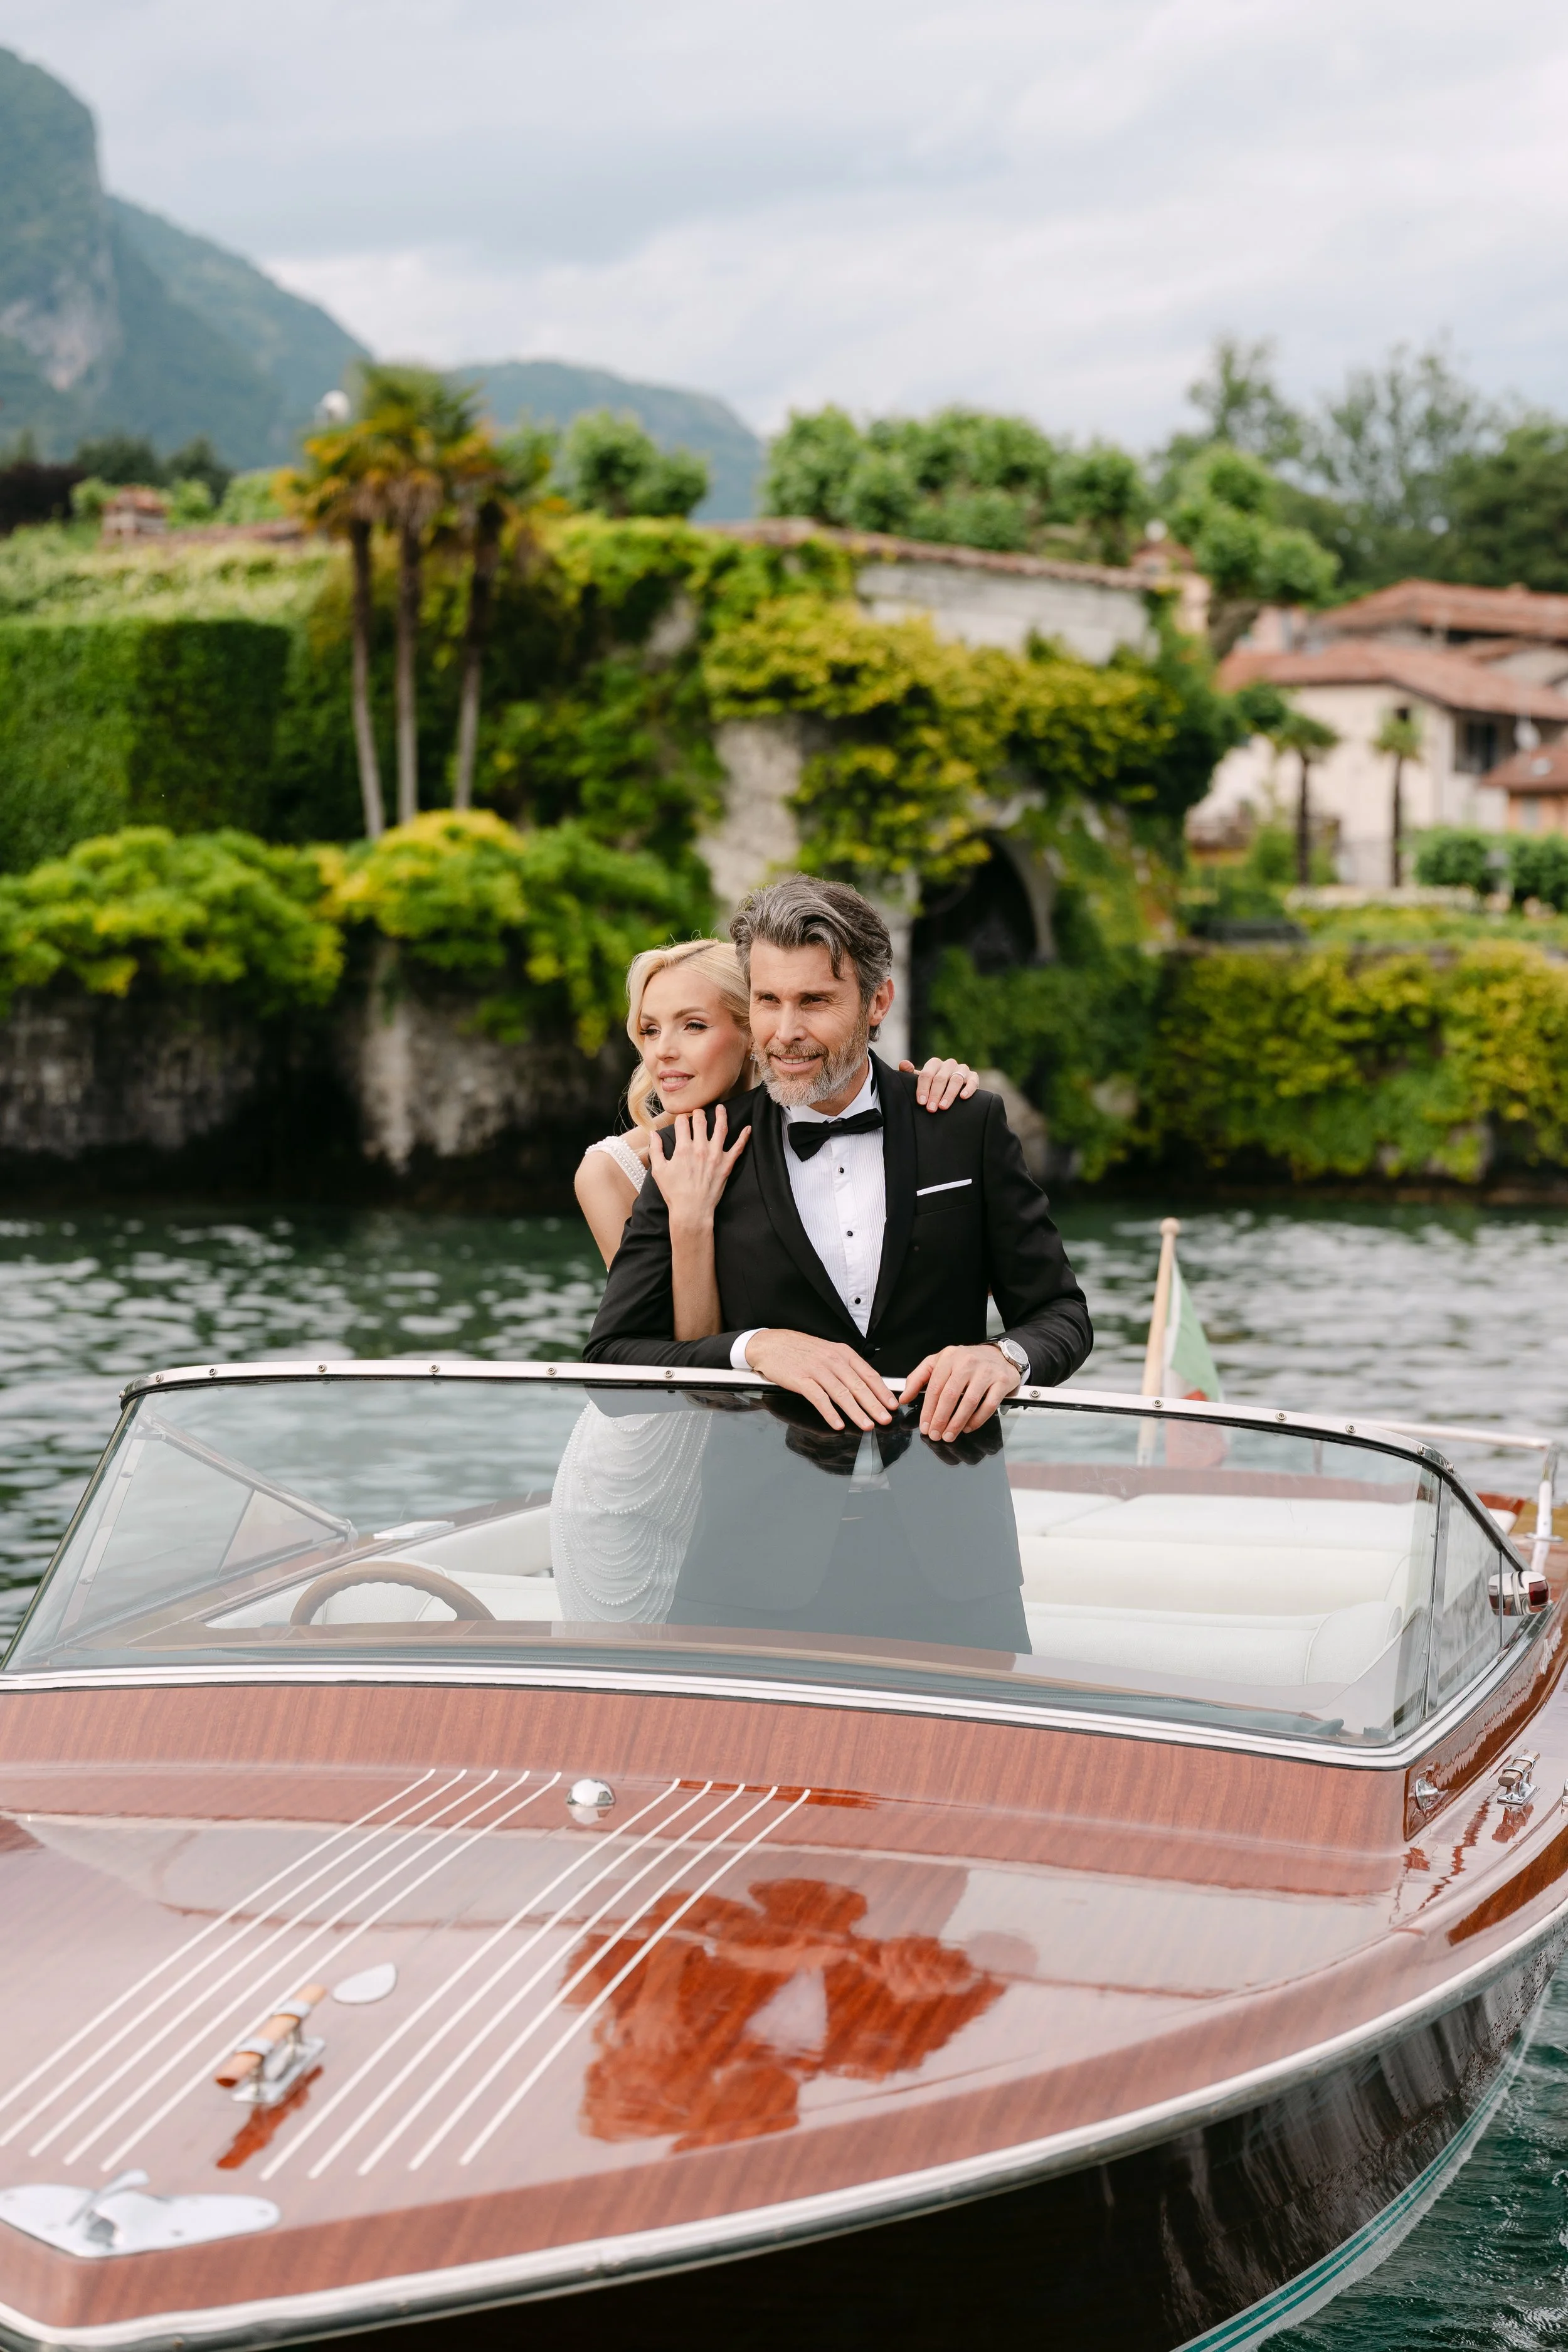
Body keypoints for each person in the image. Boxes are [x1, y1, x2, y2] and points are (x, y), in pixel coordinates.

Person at [583, 876, 1093, 1650]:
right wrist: (757, 1349)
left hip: (956, 1566)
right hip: (750, 1572)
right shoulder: (694, 1150)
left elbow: (1061, 1314)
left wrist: (1005, 1357)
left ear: (877, 1002)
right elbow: (612, 1365)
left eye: (815, 1002)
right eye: (767, 1001)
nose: (785, 1031)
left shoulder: (966, 1126)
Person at [553, 935, 980, 1622]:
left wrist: (924, 1088)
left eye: (693, 1026)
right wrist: (690, 1219)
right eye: (649, 1030)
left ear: (752, 1030)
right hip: (649, 1458)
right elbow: (682, 1356)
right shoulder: (615, 1170)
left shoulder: (799, 1130)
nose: (663, 1052)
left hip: (757, 1470)